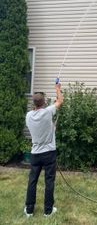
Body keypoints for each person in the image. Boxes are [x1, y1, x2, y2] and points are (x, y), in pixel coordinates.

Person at [24, 83, 63, 217]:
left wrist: (51, 128)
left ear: (34, 103)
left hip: (35, 154)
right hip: (49, 153)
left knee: (32, 181)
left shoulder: (28, 116)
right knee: (49, 181)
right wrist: (57, 88)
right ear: (44, 102)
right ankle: (48, 211)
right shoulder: (47, 112)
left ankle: (29, 210)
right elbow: (60, 101)